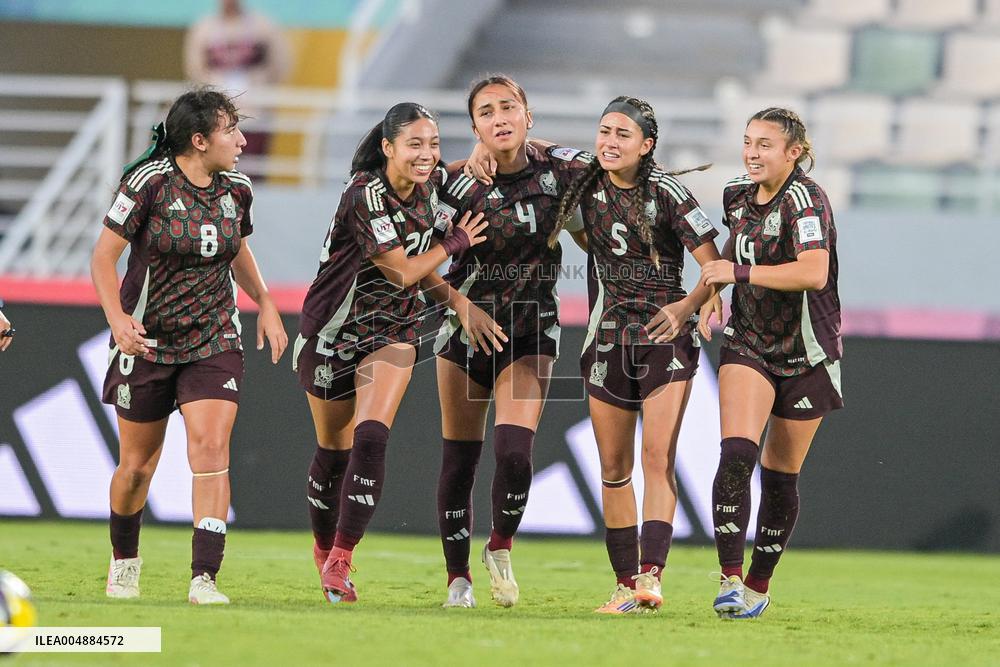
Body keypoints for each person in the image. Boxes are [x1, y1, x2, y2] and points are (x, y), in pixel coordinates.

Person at [295, 102, 499, 604]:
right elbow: (402, 271)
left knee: (372, 435)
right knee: (332, 453)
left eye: (433, 144)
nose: (426, 154)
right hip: (330, 334)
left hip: (394, 331)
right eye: (414, 144)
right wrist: (455, 242)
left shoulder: (430, 187)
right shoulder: (363, 193)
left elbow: (419, 273)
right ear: (387, 148)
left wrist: (458, 303)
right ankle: (324, 547)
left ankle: (342, 558)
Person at [91, 88, 288, 605]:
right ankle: (124, 563)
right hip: (146, 340)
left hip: (214, 337)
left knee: (210, 447)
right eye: (232, 131)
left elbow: (238, 248)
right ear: (199, 141)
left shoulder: (238, 189)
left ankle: (204, 578)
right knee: (137, 468)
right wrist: (117, 321)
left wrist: (264, 300)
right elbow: (102, 258)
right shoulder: (148, 184)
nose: (243, 141)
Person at [547, 96, 722, 614]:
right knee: (613, 467)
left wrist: (686, 307)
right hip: (606, 340)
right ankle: (624, 585)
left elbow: (714, 267)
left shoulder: (666, 191)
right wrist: (483, 155)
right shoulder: (584, 180)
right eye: (604, 131)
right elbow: (530, 147)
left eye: (623, 134)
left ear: (647, 146)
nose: (609, 142)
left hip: (663, 339)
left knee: (656, 458)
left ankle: (652, 577)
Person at [430, 75, 589, 609]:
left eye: (508, 107)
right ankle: (458, 579)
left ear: (529, 114)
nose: (499, 118)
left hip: (529, 330)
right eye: (485, 112)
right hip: (465, 327)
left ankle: (499, 547)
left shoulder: (563, 170)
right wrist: (460, 305)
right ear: (474, 125)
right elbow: (419, 267)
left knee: (515, 453)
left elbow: (621, 165)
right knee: (460, 458)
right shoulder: (451, 183)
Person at [699, 107, 842, 619]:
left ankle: (759, 585)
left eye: (765, 144)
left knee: (781, 475)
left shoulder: (807, 199)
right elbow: (720, 257)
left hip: (808, 352)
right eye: (747, 142)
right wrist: (709, 291)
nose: (753, 153)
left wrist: (737, 273)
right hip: (749, 343)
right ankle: (729, 579)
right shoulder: (736, 194)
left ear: (794, 153)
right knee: (737, 452)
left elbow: (813, 273)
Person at [184, 0, 292, 172]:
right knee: (217, 173)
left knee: (252, 173)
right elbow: (195, 69)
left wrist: (261, 91)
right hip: (216, 118)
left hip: (255, 113)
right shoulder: (204, 28)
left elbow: (280, 65)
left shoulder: (264, 26)